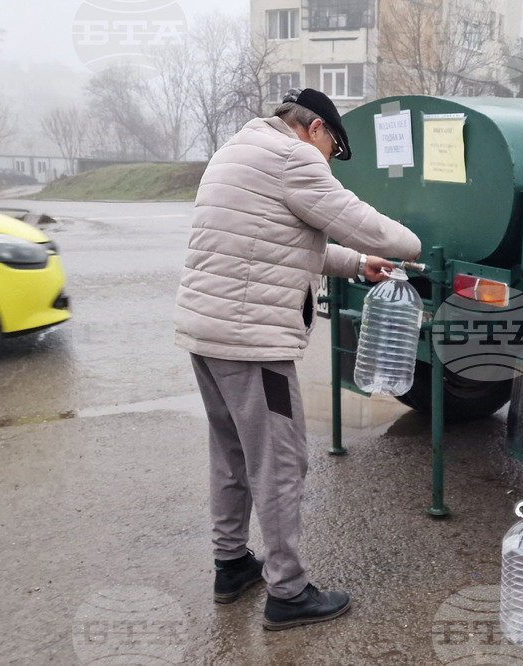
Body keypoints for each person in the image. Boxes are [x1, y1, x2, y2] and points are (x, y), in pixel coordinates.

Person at [173, 88, 421, 631]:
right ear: (315, 130)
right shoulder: (294, 158)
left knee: (232, 452)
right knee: (281, 463)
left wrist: (358, 265)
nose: (330, 158)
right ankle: (288, 592)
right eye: (334, 146)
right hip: (253, 343)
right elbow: (364, 222)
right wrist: (413, 243)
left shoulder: (237, 151)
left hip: (207, 333)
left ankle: (232, 564)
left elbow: (283, 239)